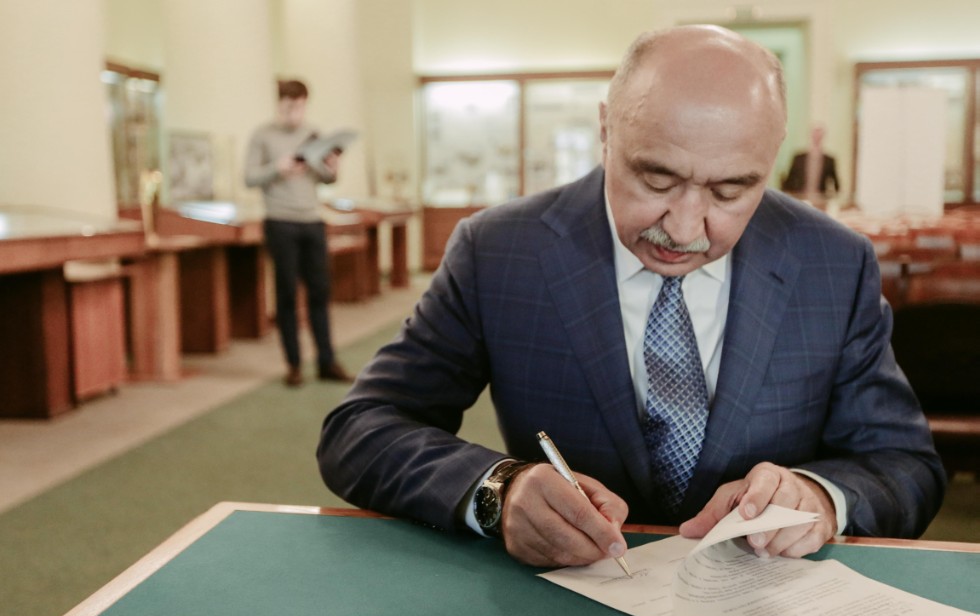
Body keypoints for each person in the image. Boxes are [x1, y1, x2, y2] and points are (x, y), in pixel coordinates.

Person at [317, 26, 945, 568]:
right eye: (656, 178)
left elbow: (905, 465)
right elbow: (361, 429)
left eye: (730, 191)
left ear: (771, 158)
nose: (685, 227)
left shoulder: (833, 262)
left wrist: (820, 498)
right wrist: (497, 491)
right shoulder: (500, 251)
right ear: (605, 129)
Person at [245, 79, 352, 387]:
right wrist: (278, 167)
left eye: (300, 106)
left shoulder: (313, 134)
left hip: (312, 220)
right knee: (287, 294)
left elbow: (326, 179)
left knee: (320, 292)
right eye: (289, 106)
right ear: (280, 104)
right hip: (280, 221)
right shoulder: (262, 135)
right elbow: (249, 178)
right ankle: (293, 364)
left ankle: (326, 361)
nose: (295, 112)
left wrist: (333, 166)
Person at [781, 124, 840, 206]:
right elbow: (789, 181)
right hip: (800, 199)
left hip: (820, 202)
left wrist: (829, 198)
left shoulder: (829, 160)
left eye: (819, 134)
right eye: (815, 134)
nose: (817, 137)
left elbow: (836, 184)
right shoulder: (799, 158)